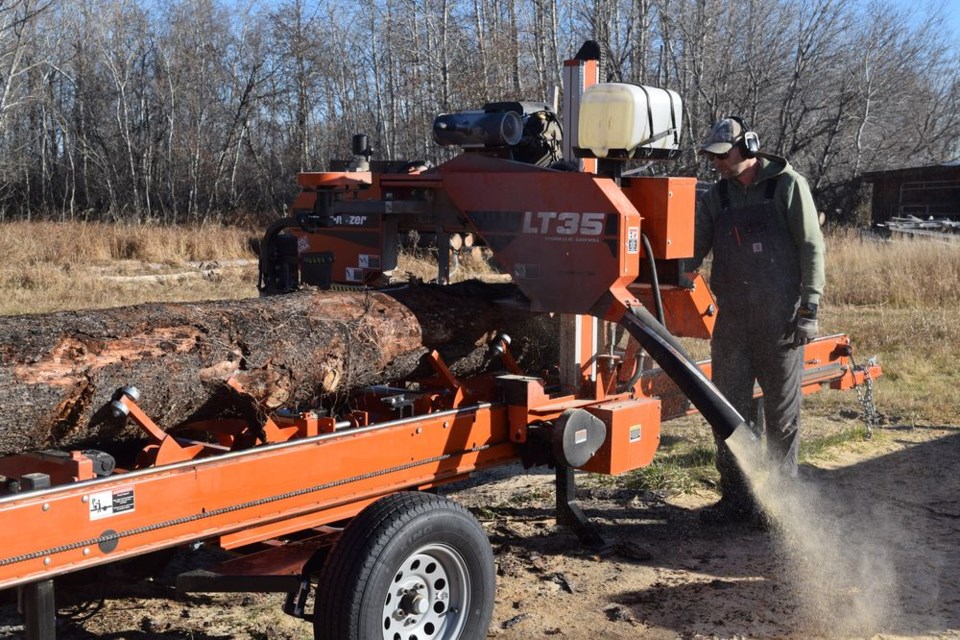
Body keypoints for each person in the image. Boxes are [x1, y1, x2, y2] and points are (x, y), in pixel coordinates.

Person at [690, 117, 825, 525]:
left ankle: (779, 505)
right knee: (729, 411)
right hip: (733, 319)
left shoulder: (786, 185)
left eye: (723, 156)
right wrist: (666, 270)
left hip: (780, 318)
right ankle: (736, 500)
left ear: (748, 147)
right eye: (712, 158)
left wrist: (810, 308)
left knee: (781, 418)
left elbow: (811, 247)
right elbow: (694, 247)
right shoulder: (719, 197)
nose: (717, 165)